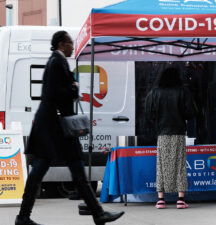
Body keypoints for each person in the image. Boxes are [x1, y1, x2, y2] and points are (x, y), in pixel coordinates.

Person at [15, 31, 124, 225]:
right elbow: (53, 93)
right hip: (53, 126)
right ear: (61, 43)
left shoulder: (56, 61)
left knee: (73, 168)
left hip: (54, 125)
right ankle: (24, 217)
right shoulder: (57, 62)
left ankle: (97, 213)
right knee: (47, 169)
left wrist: (71, 89)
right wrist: (73, 88)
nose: (73, 47)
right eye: (70, 43)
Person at [145, 67, 196, 209]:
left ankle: (160, 200)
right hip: (179, 132)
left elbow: (149, 114)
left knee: (161, 165)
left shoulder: (154, 93)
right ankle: (180, 199)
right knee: (180, 165)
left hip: (162, 133)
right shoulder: (183, 92)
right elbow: (190, 113)